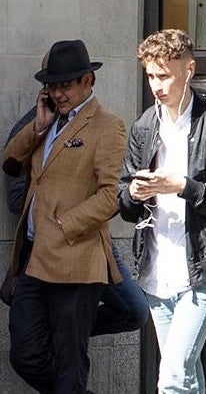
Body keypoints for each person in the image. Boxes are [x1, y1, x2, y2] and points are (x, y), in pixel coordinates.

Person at [117, 28, 206, 394]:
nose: (156, 86)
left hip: (203, 271)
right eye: (150, 76)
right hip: (157, 273)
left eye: (164, 75)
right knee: (187, 375)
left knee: (173, 378)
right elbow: (124, 204)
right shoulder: (145, 127)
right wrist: (133, 191)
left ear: (189, 70)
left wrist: (182, 187)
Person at [3, 39, 129, 394]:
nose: (58, 94)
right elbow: (11, 163)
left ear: (88, 81)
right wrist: (39, 126)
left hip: (75, 261)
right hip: (34, 260)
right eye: (52, 86)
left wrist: (65, 225)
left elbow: (112, 194)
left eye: (65, 85)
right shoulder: (48, 122)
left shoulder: (107, 126)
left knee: (70, 361)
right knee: (25, 355)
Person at [6, 107, 147, 339]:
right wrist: (59, 196)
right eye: (57, 85)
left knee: (135, 311)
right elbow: (14, 196)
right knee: (32, 351)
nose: (63, 93)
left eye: (69, 84)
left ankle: (61, 332)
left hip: (94, 238)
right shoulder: (33, 127)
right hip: (47, 244)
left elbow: (112, 190)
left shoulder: (102, 125)